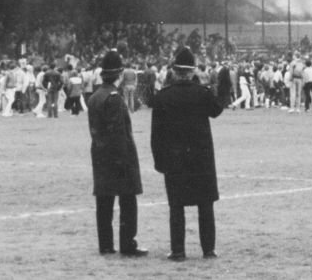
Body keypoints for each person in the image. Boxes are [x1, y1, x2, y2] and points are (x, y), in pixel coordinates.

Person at [150, 46, 224, 261]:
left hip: (175, 159)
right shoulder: (202, 93)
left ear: (173, 71)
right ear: (192, 71)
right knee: (205, 205)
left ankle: (178, 250)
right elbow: (217, 110)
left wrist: (159, 161)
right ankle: (208, 249)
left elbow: (156, 135)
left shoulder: (163, 96)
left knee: (176, 207)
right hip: (201, 159)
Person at [86, 50, 147, 257]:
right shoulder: (114, 98)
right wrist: (125, 161)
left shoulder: (95, 97)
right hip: (118, 157)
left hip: (100, 155)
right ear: (119, 74)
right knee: (128, 201)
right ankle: (127, 243)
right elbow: (119, 133)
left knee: (103, 202)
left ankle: (105, 244)